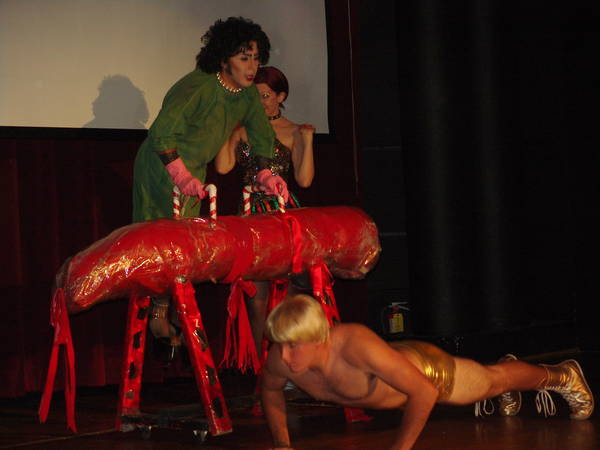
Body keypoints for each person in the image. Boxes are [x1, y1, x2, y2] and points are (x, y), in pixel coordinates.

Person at [131, 17, 288, 358]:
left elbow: (261, 134)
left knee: (186, 246)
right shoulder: (198, 86)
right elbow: (161, 134)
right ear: (223, 58)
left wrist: (266, 173)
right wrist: (180, 175)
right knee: (163, 241)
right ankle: (159, 316)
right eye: (244, 58)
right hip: (163, 165)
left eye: (256, 58)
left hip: (194, 171)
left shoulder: (246, 94)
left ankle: (174, 314)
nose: (252, 67)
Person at [261, 294, 594, 450]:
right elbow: (270, 390)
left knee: (494, 381)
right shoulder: (281, 358)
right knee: (493, 380)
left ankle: (562, 376)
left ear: (318, 338)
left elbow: (424, 392)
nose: (284, 356)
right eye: (280, 345)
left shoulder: (355, 346)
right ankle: (509, 376)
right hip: (396, 379)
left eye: (294, 345)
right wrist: (282, 444)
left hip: (427, 372)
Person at [214, 66, 315, 359]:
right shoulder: (243, 129)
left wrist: (307, 141)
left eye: (265, 96)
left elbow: (305, 180)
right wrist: (228, 130)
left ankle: (292, 361)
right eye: (253, 96)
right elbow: (223, 167)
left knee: (290, 297)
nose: (259, 102)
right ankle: (264, 366)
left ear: (280, 96)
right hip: (251, 215)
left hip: (282, 215)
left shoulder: (293, 131)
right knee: (256, 299)